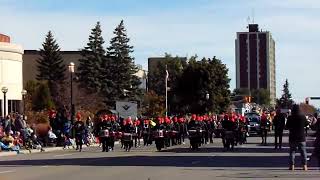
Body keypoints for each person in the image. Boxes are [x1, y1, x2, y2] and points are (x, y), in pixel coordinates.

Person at [286, 104, 308, 171]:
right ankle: (304, 166)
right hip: (301, 137)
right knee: (303, 152)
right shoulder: (302, 117)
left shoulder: (290, 117)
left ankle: (292, 166)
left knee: (292, 152)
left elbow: (287, 126)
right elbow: (307, 124)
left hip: (292, 137)